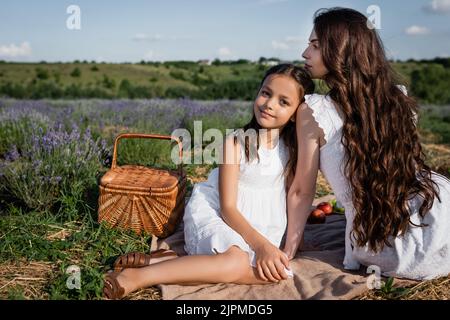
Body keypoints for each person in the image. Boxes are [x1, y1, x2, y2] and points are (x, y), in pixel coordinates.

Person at [103, 64, 315, 299]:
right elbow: (228, 208)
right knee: (239, 264)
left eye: (284, 102)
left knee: (276, 270)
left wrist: (293, 238)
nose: (269, 104)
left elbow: (291, 193)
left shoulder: (292, 150)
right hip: (221, 214)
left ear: (297, 113)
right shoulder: (235, 143)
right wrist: (262, 246)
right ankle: (138, 277)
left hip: (263, 224)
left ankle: (178, 261)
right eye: (266, 93)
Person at [283, 7, 450, 280]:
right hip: (439, 217)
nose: (305, 54)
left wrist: (289, 248)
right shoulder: (396, 99)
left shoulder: (313, 111)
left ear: (341, 51)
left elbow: (302, 190)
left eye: (315, 45)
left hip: (389, 243)